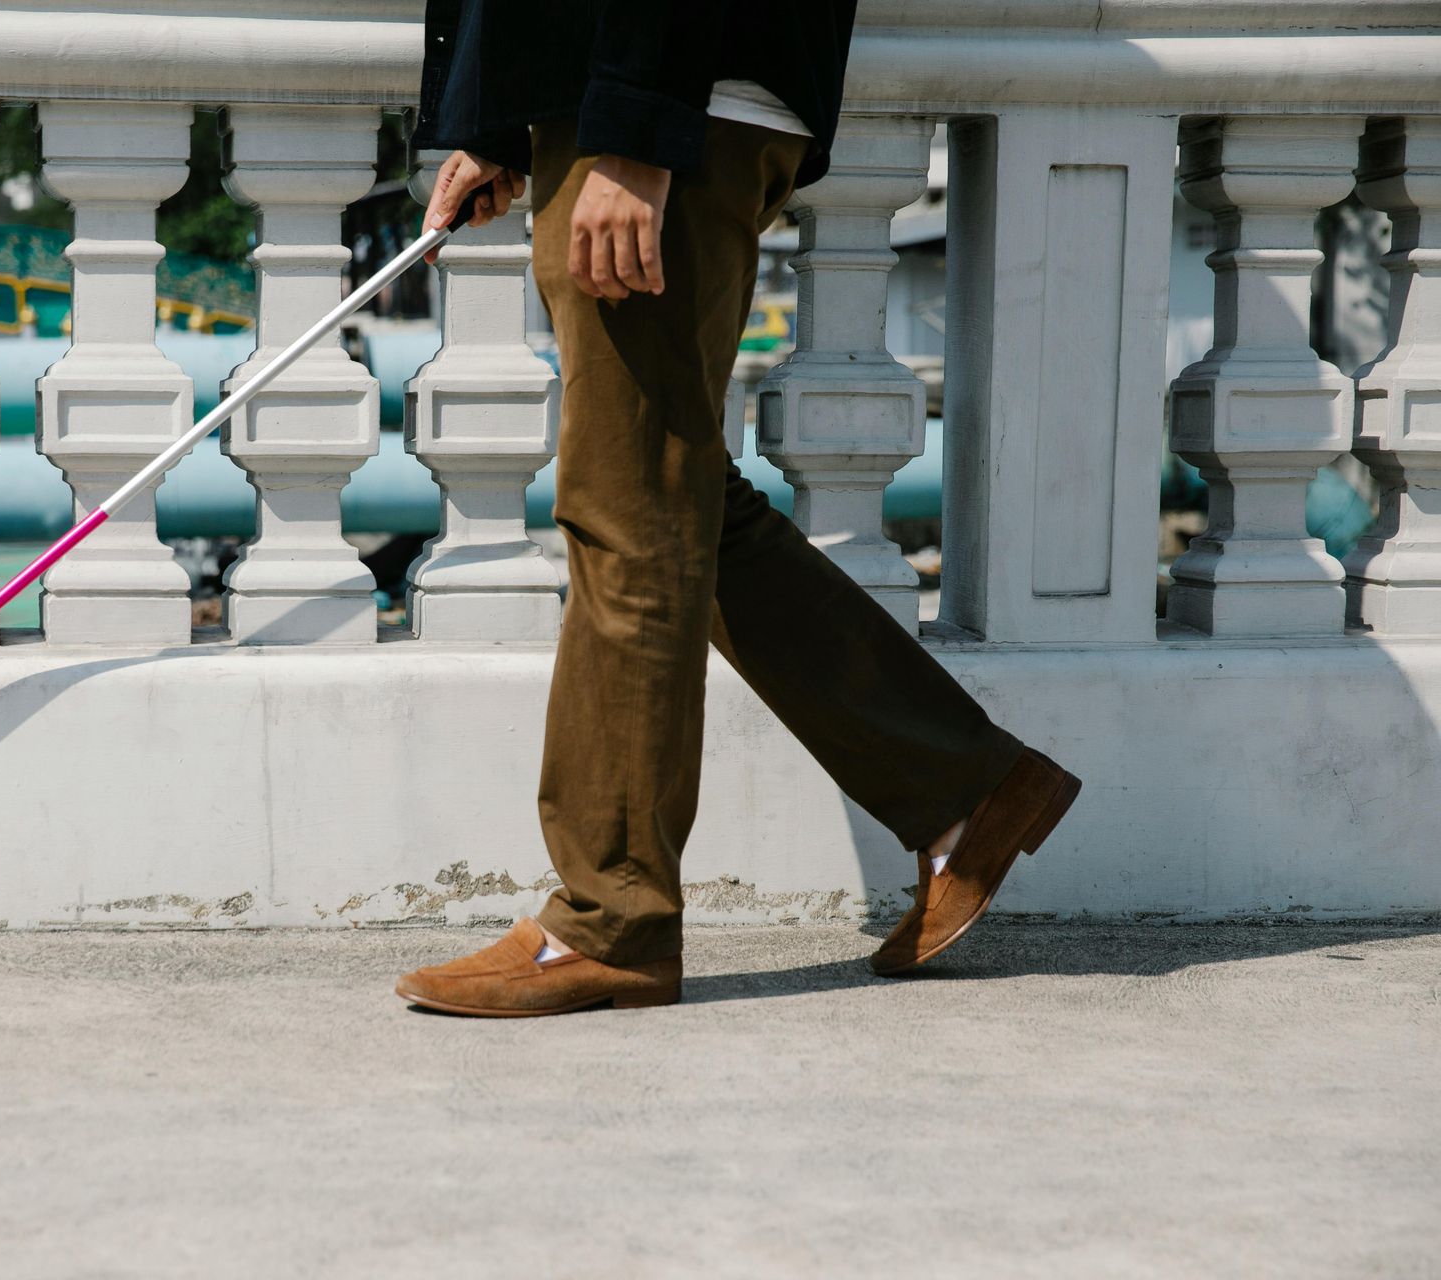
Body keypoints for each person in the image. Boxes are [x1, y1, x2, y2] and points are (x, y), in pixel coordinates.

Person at [394, 0, 1081, 1017]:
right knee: (671, 496)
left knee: (627, 507)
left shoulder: (647, 116)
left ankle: (610, 917)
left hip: (660, 97)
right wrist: (500, 118)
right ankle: (964, 789)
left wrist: (635, 122)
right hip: (638, 94)